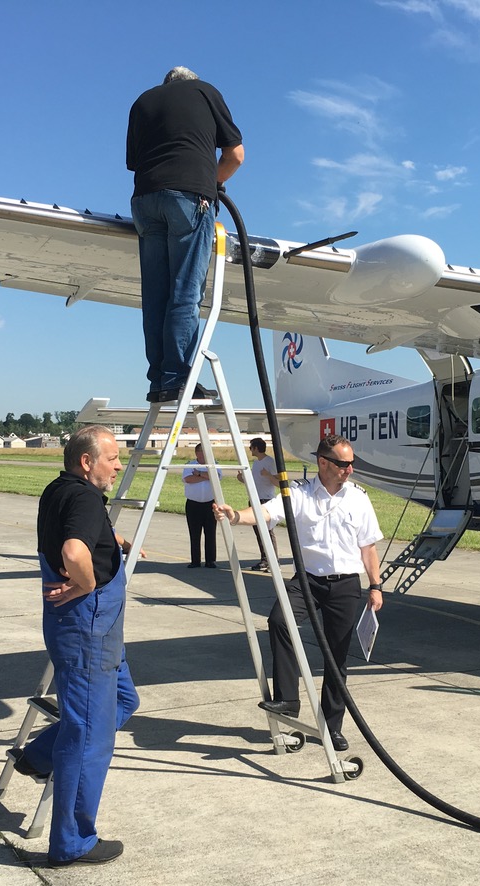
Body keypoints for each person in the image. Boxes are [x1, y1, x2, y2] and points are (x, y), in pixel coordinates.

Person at [8, 424, 139, 867]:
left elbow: (80, 532)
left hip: (90, 631)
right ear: (87, 462)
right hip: (89, 630)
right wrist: (84, 584)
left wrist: (111, 539)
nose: (119, 465)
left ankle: (39, 757)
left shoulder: (60, 490)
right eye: (113, 458)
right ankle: (72, 842)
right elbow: (73, 550)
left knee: (125, 699)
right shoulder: (84, 497)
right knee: (88, 735)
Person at [212, 435, 383, 751]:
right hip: (308, 581)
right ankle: (288, 701)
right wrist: (235, 516)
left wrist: (375, 585)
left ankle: (332, 727)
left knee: (336, 657)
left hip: (346, 585)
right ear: (323, 462)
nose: (349, 469)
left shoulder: (358, 498)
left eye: (351, 463)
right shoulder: (299, 495)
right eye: (343, 464)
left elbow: (368, 546)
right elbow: (265, 513)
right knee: (279, 621)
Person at [127, 66, 244, 404]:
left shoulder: (142, 103)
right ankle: (180, 379)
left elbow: (137, 163)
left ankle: (160, 380)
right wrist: (214, 183)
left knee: (156, 296)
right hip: (189, 198)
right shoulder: (206, 91)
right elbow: (235, 155)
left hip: (145, 202)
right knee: (184, 293)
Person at [183, 443, 232, 568]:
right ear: (197, 453)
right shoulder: (190, 465)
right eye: (203, 451)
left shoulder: (213, 464)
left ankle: (210, 560)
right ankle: (195, 561)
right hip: (193, 504)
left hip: (210, 504)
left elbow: (216, 477)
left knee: (210, 533)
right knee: (194, 533)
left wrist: (199, 474)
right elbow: (188, 479)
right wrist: (206, 477)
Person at [246, 437, 280, 571]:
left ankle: (274, 562)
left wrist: (268, 475)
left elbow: (279, 482)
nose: (250, 450)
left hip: (265, 500)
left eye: (251, 447)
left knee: (268, 531)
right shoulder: (256, 463)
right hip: (255, 499)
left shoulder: (270, 462)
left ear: (256, 448)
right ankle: (265, 560)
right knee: (259, 532)